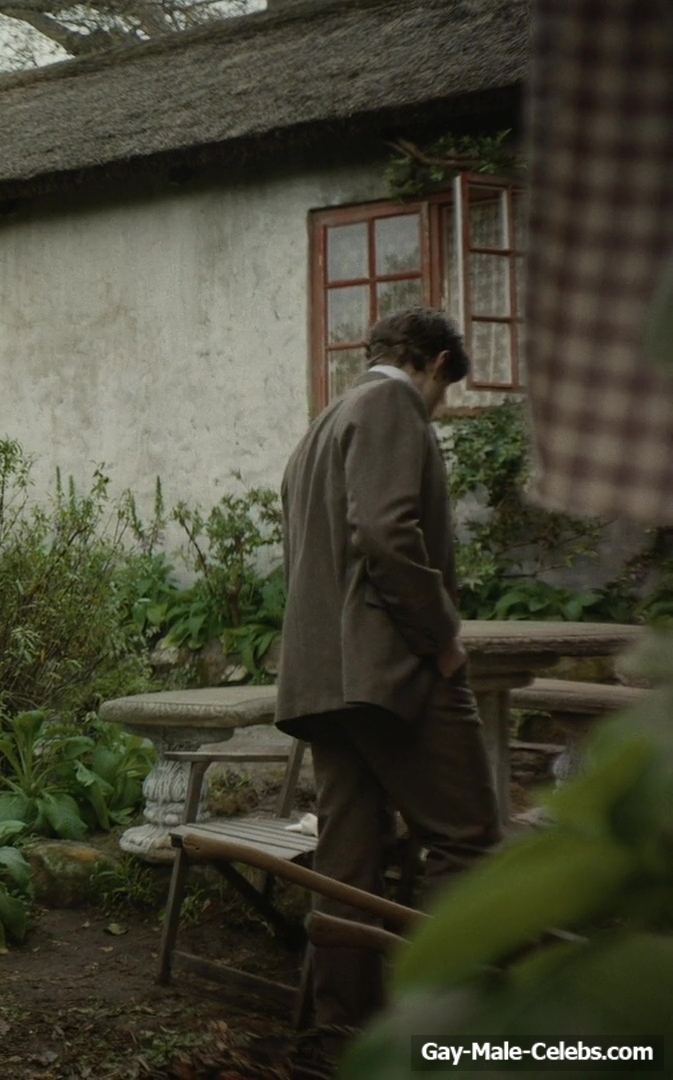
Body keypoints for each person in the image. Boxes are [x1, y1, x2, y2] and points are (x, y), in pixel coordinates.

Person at [274, 307, 502, 1031]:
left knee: (350, 857)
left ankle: (344, 1028)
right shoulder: (392, 406)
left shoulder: (321, 427)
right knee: (469, 840)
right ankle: (448, 1025)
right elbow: (384, 531)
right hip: (390, 674)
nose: (439, 409)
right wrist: (439, 637)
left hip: (324, 679)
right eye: (444, 393)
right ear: (436, 364)